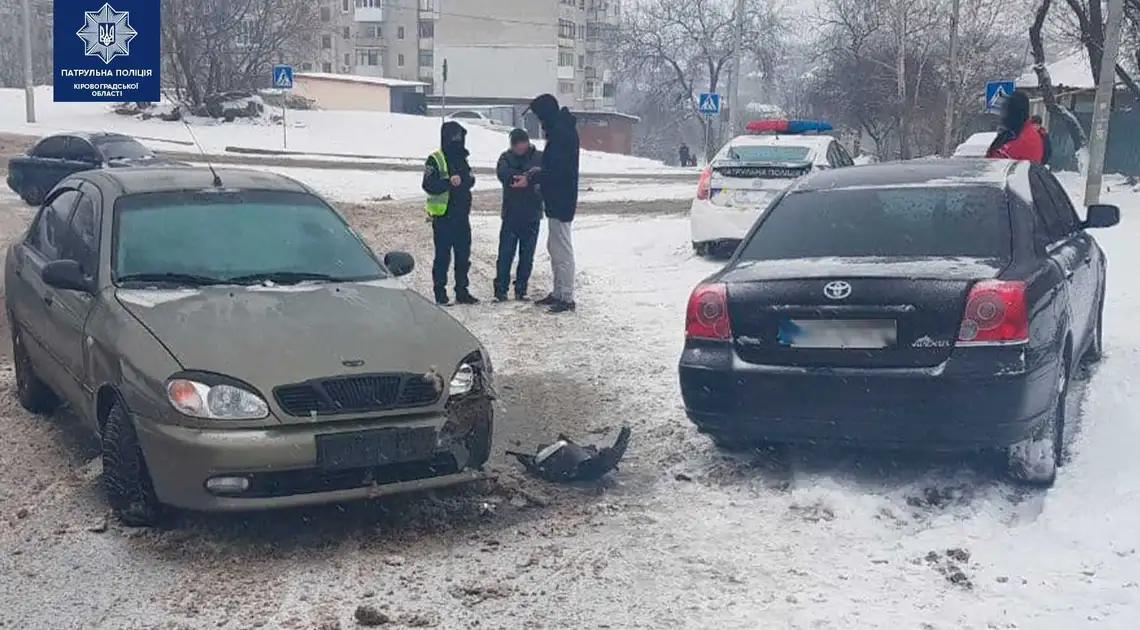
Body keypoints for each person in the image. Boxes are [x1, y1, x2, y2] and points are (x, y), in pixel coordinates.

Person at [527, 93, 580, 314]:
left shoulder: (560, 133)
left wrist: (535, 177)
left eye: (539, 117)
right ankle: (559, 292)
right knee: (555, 246)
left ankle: (565, 296)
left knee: (562, 248)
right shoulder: (561, 129)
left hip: (561, 198)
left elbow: (558, 170)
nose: (539, 122)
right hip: (559, 196)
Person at [422, 121, 479, 305]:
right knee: (442, 257)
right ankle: (440, 292)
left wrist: (467, 180)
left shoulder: (462, 158)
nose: (457, 141)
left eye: (460, 137)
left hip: (462, 215)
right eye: (454, 137)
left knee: (463, 257)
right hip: (444, 217)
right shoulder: (436, 158)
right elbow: (428, 185)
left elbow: (469, 179)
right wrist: (448, 182)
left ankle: (462, 291)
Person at [493, 129, 543, 301]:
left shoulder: (539, 157)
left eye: (523, 146)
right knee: (506, 254)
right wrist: (524, 177)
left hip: (532, 213)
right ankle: (501, 289)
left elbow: (544, 175)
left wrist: (528, 179)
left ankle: (521, 289)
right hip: (511, 214)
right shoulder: (505, 158)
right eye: (517, 147)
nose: (520, 150)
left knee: (527, 256)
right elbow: (503, 174)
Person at [985, 90, 1045, 163]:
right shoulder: (1014, 132)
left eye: (1005, 113)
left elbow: (996, 163)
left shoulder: (1025, 139)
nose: (1001, 118)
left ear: (1014, 115)